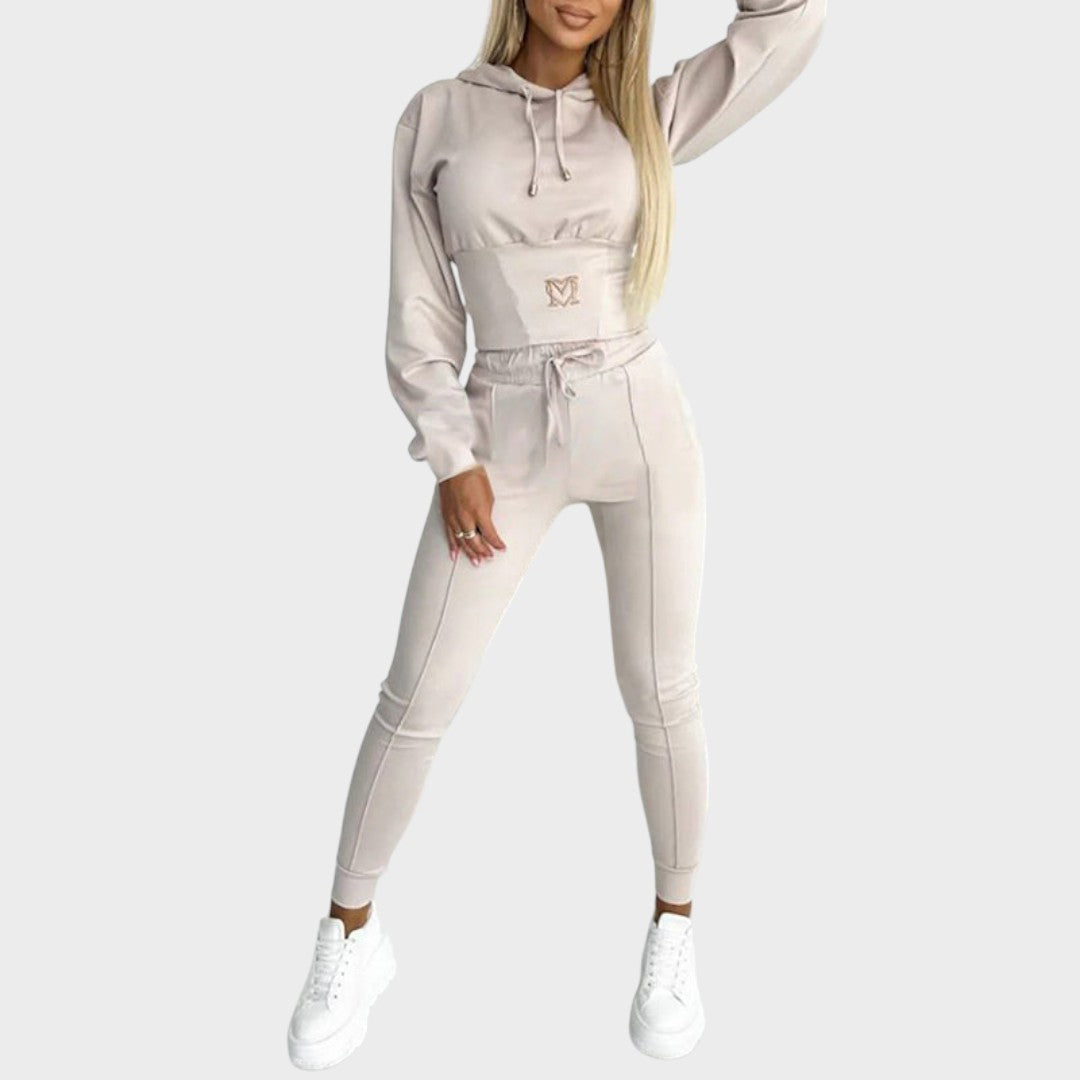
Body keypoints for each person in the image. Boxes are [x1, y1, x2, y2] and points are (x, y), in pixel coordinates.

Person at [287, 0, 826, 1066]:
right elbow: (419, 309)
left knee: (662, 689)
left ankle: (674, 930)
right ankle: (349, 930)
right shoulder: (438, 114)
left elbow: (789, 25)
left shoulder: (648, 113)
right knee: (418, 693)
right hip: (501, 436)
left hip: (640, 420)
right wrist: (453, 454)